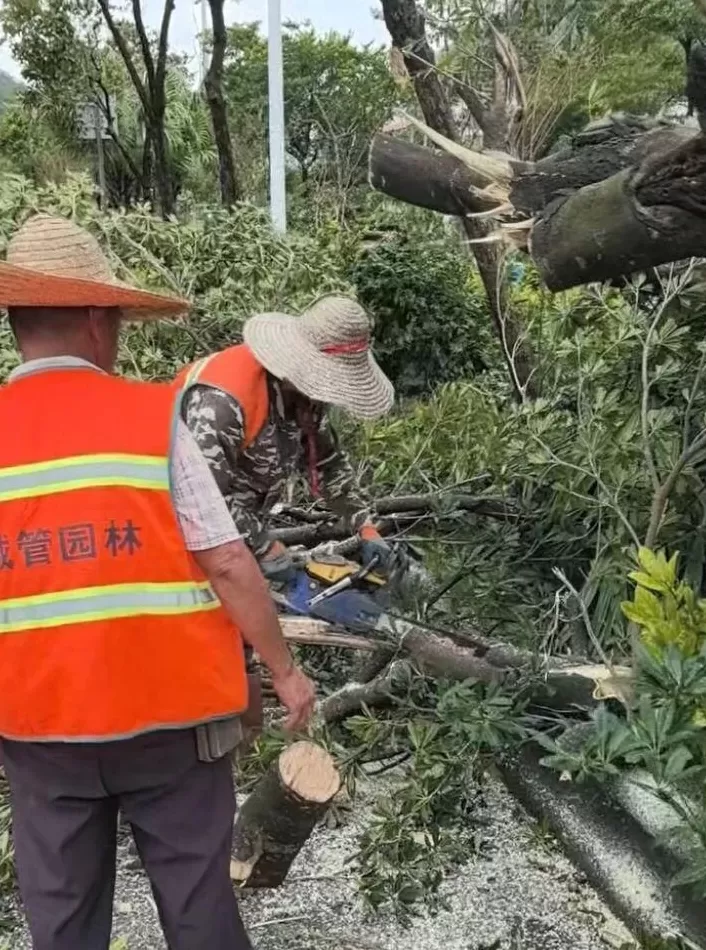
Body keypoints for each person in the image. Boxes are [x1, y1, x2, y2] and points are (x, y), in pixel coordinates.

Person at [0, 213, 316, 950]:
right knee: (199, 903)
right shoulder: (154, 418)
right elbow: (230, 561)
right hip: (173, 726)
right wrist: (286, 671)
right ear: (92, 319)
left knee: (63, 919)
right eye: (115, 318)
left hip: (39, 730)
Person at [176, 294, 398, 586]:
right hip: (178, 538)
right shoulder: (221, 402)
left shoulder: (305, 398)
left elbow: (326, 464)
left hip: (236, 535)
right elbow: (200, 498)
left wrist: (364, 524)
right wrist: (262, 544)